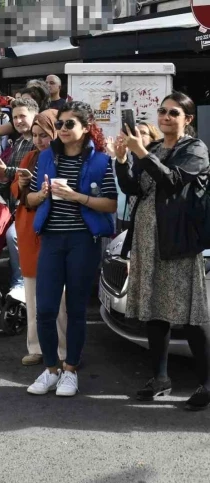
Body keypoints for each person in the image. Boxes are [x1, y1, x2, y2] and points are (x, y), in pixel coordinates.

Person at [115, 92, 210, 411]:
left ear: (187, 119)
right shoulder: (154, 147)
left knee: (189, 315)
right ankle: (160, 378)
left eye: (173, 113)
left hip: (177, 241)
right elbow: (135, 188)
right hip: (146, 238)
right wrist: (122, 160)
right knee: (156, 311)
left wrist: (140, 150)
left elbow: (171, 182)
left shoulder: (195, 149)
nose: (166, 117)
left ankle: (207, 382)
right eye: (162, 112)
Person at [26, 101, 117, 397]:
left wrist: (76, 196)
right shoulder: (46, 158)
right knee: (46, 309)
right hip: (51, 239)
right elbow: (29, 200)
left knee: (76, 309)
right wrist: (39, 195)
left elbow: (111, 204)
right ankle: (50, 368)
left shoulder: (101, 161)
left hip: (82, 240)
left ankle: (70, 370)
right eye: (60, 124)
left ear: (85, 127)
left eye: (69, 124)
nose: (62, 130)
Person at [9, 111, 68, 366]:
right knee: (32, 293)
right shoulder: (30, 156)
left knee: (61, 298)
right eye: (35, 135)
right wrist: (21, 183)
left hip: (56, 231)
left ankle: (65, 351)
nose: (39, 140)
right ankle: (36, 347)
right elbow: (14, 190)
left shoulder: (65, 158)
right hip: (29, 230)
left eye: (44, 135)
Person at [0, 98, 40, 298]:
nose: (18, 121)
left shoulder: (40, 144)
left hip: (33, 206)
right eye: (15, 117)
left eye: (22, 116)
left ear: (35, 116)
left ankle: (20, 283)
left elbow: (29, 175)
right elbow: (8, 181)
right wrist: (1, 175)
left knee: (13, 235)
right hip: (15, 205)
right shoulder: (18, 142)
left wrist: (7, 172)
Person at [107, 120, 160, 232]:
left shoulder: (158, 157)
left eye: (143, 133)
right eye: (136, 133)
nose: (138, 136)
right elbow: (129, 187)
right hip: (129, 215)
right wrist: (121, 160)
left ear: (153, 138)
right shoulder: (131, 156)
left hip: (156, 220)